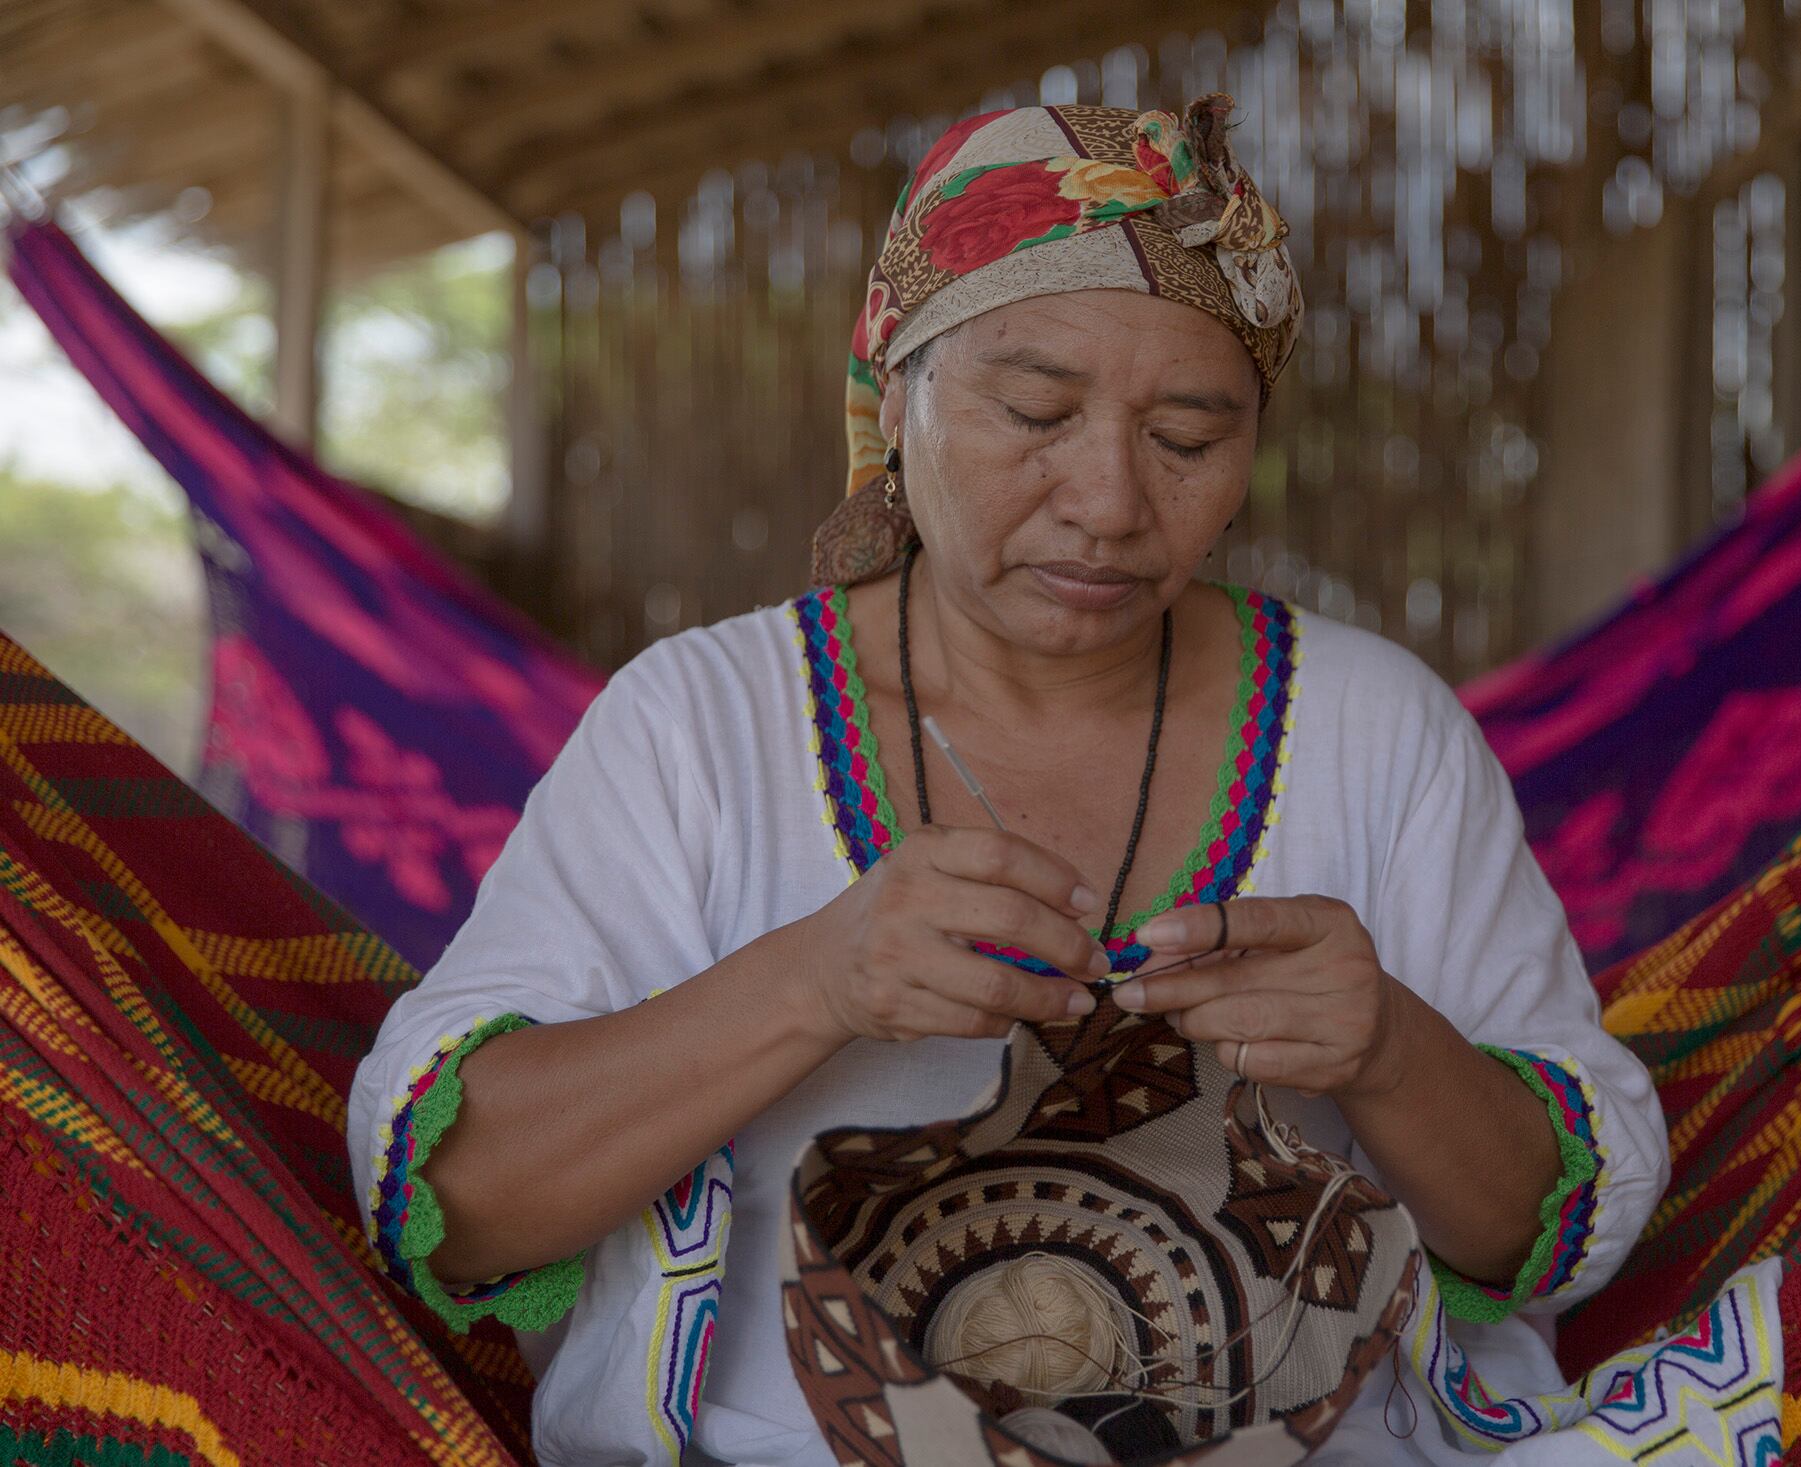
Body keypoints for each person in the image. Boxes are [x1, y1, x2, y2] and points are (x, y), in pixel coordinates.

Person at [348, 94, 1668, 1467]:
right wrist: (815, 981)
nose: (1105, 498)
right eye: (1035, 410)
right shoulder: (701, 726)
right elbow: (454, 1201)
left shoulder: (1375, 730)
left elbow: (1548, 1240)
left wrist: (1391, 1050)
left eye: (1188, 439)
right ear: (894, 388)